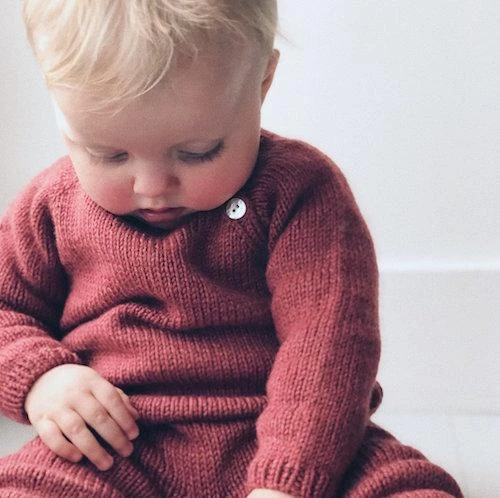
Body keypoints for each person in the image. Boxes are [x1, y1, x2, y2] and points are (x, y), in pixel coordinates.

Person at [0, 1, 463, 497]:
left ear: (262, 81)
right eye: (108, 154)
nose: (152, 187)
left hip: (295, 437)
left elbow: (329, 345)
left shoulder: (299, 193)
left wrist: (288, 480)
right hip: (112, 444)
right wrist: (40, 377)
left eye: (197, 152)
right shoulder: (50, 206)